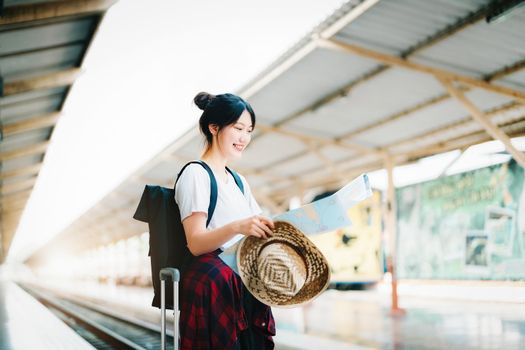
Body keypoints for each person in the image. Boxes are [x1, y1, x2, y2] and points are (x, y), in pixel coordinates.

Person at [174, 92, 276, 349]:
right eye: (238, 128)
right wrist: (238, 227)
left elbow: (259, 226)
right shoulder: (195, 174)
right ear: (214, 127)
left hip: (241, 278)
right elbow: (196, 243)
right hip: (217, 284)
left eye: (249, 130)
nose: (244, 137)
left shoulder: (239, 181)